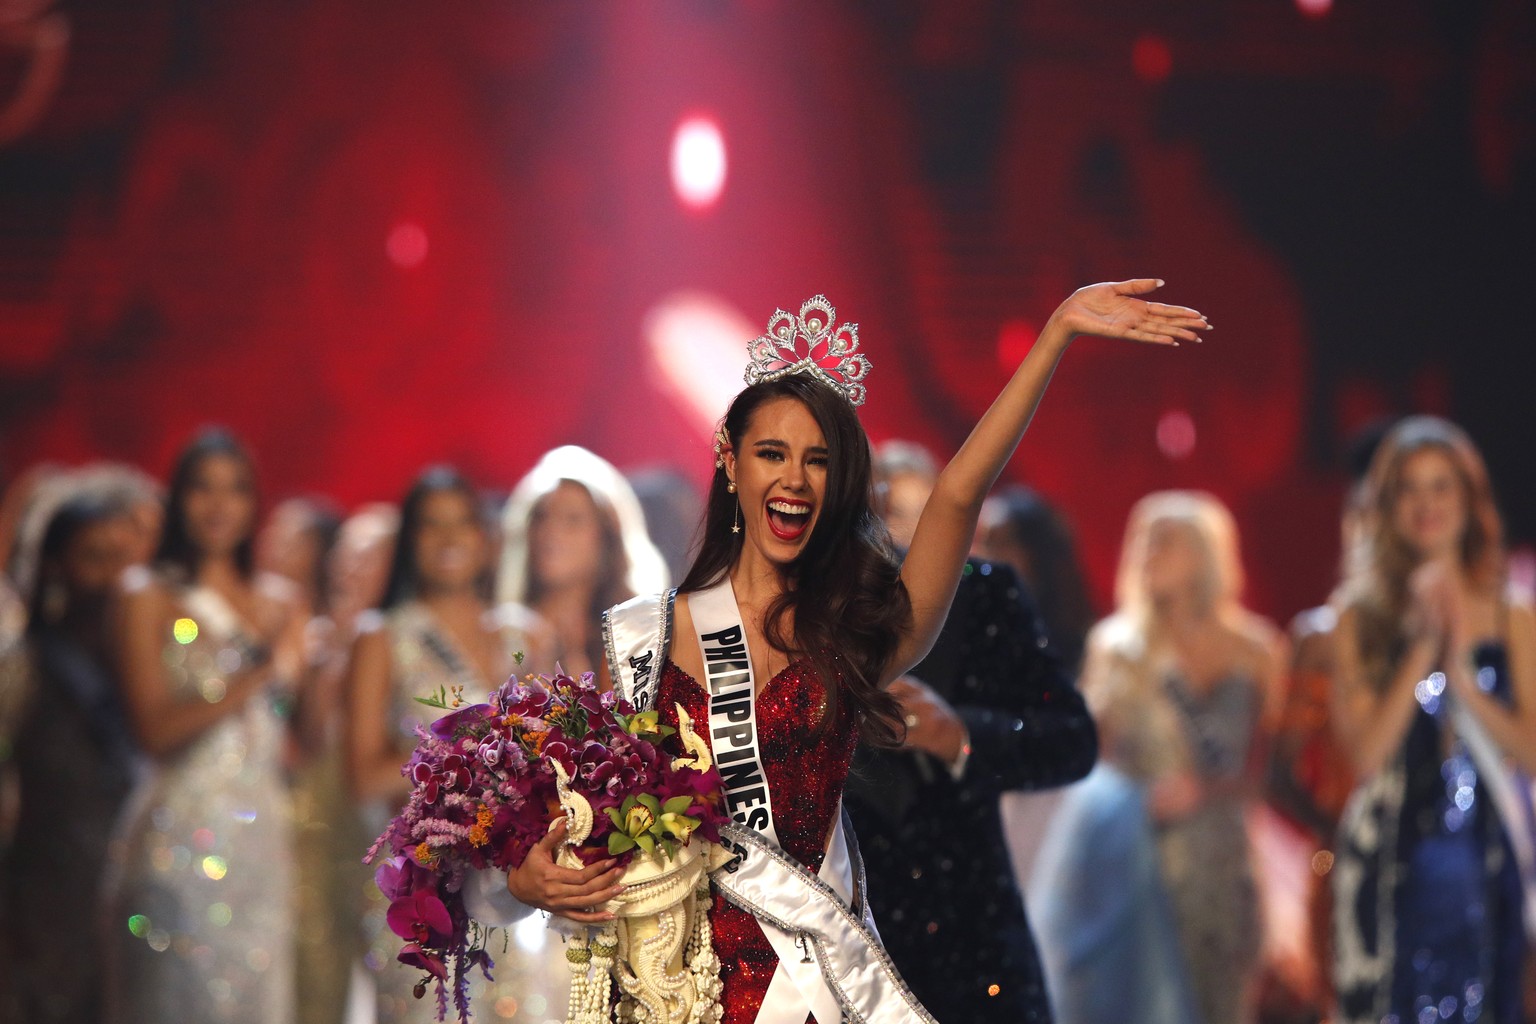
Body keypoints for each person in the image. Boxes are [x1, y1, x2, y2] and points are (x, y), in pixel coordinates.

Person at [505, 283, 1209, 1023]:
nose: (794, 479)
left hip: (811, 992)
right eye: (772, 453)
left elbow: (957, 497)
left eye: (817, 461)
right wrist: (528, 875)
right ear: (731, 462)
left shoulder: (852, 635)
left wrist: (1055, 336)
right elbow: (592, 815)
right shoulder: (643, 637)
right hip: (683, 995)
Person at [845, 440, 1097, 1023]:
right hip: (848, 925)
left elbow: (1072, 740)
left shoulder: (986, 593)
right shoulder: (813, 611)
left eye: (920, 512)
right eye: (882, 512)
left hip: (972, 926)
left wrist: (960, 736)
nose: (899, 534)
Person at [1033, 490, 1284, 1024]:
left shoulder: (1257, 650)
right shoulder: (1116, 649)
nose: (1147, 554)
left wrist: (1212, 791)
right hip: (1137, 862)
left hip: (1225, 866)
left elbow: (1275, 771)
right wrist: (1136, 797)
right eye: (1142, 541)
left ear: (1204, 554)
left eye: (1164, 542)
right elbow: (1087, 761)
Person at [1330, 416, 1533, 1024]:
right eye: (1409, 489)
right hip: (1394, 867)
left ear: (1469, 500)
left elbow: (1531, 747)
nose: (1427, 504)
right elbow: (1363, 757)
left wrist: (1463, 679)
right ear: (1386, 504)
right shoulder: (1356, 617)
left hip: (1488, 862)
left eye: (1442, 486)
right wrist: (1420, 649)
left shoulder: (1510, 612)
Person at [104, 428, 307, 1024]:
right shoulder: (146, 595)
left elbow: (298, 738)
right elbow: (156, 731)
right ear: (177, 500)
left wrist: (317, 662)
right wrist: (262, 669)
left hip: (264, 841)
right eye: (202, 489)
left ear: (254, 504)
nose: (219, 505)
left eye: (236, 490)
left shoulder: (279, 601)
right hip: (178, 840)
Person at [346, 466, 557, 1022]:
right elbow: (364, 777)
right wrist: (465, 760)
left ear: (486, 537)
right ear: (410, 541)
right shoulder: (384, 636)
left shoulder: (526, 636)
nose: (448, 539)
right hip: (424, 885)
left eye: (462, 523)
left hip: (512, 883)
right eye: (430, 525)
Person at [0, 490, 141, 1024]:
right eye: (93, 557)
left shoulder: (145, 665)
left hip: (135, 894)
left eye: (124, 560)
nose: (111, 577)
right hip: (46, 901)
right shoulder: (27, 666)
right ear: (57, 566)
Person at [498, 445, 668, 675]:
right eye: (541, 516)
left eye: (573, 519)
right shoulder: (500, 634)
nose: (551, 531)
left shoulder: (642, 636)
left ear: (607, 535)